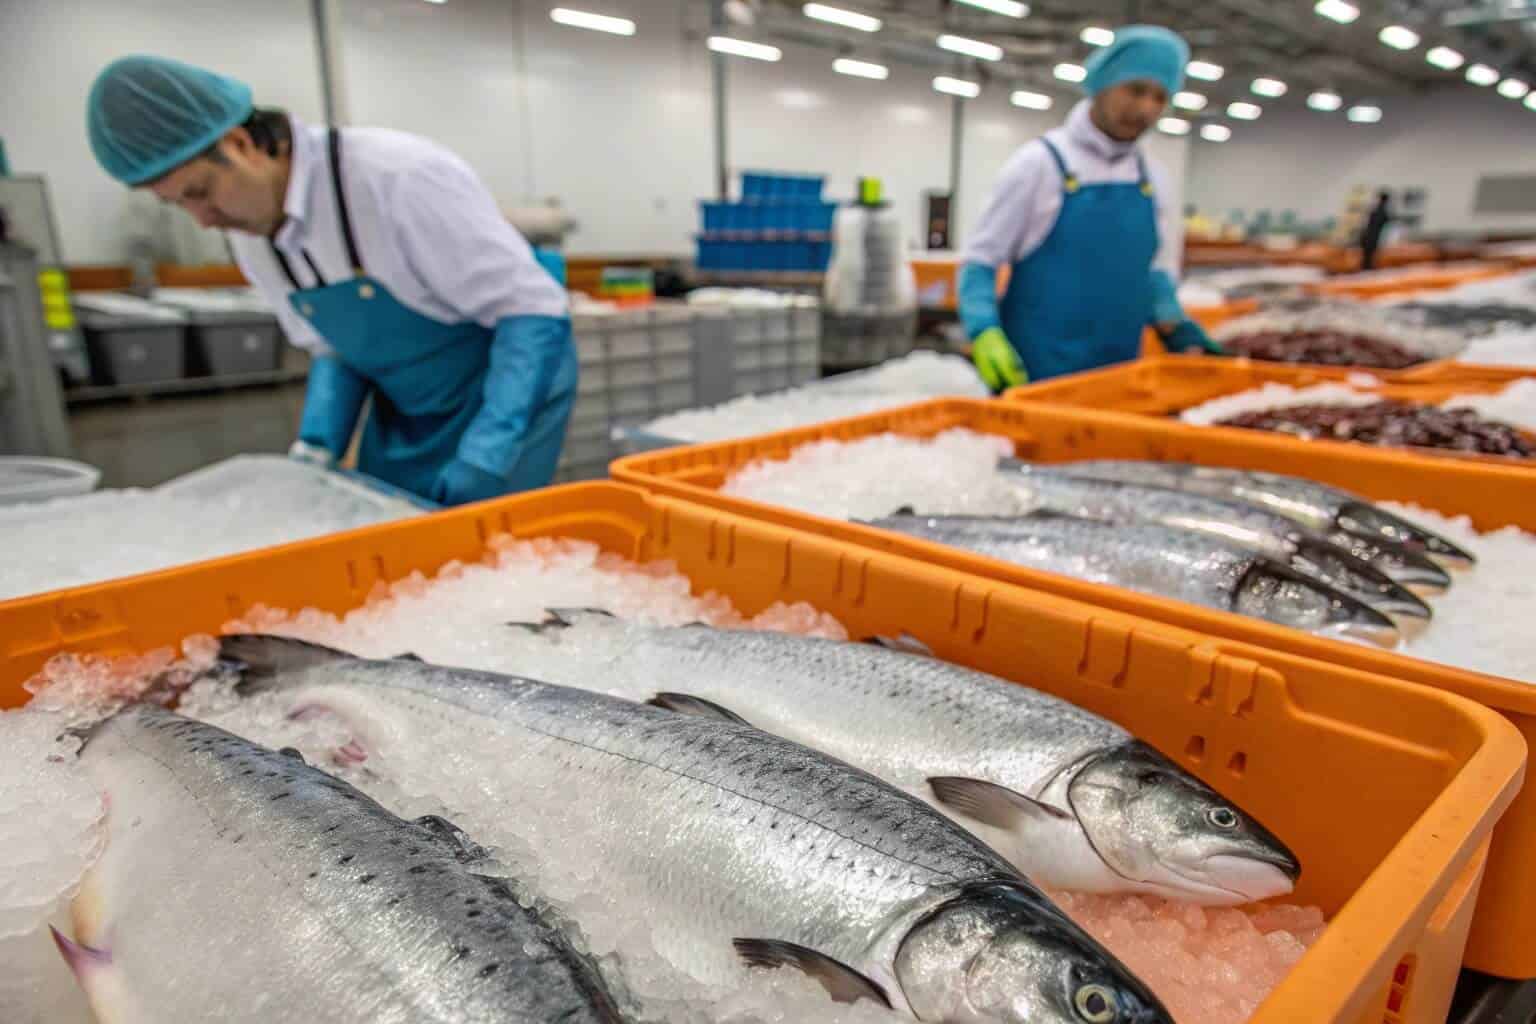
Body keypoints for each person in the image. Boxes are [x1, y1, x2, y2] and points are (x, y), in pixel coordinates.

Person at [86, 56, 576, 506]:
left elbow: (532, 310)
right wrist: (315, 450)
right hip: (407, 408)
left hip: (503, 388)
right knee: (385, 538)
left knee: (487, 557)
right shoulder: (251, 233)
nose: (204, 221)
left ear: (240, 144)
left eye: (201, 192)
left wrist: (486, 455)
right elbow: (334, 349)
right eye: (180, 205)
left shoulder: (397, 178)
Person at [959, 25, 1220, 391]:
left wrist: (1175, 324)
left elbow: (1155, 273)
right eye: (1136, 90)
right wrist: (983, 330)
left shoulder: (1152, 178)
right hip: (1037, 377)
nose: (1146, 108)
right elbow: (980, 262)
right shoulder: (1041, 164)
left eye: (1160, 98)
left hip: (1119, 379)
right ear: (1103, 82)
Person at [1360, 190, 1392, 271]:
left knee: (1367, 257)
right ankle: (1367, 270)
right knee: (1368, 258)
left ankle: (1366, 269)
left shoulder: (1374, 209)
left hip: (1369, 236)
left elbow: (1366, 223)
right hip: (1373, 237)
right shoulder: (1382, 211)